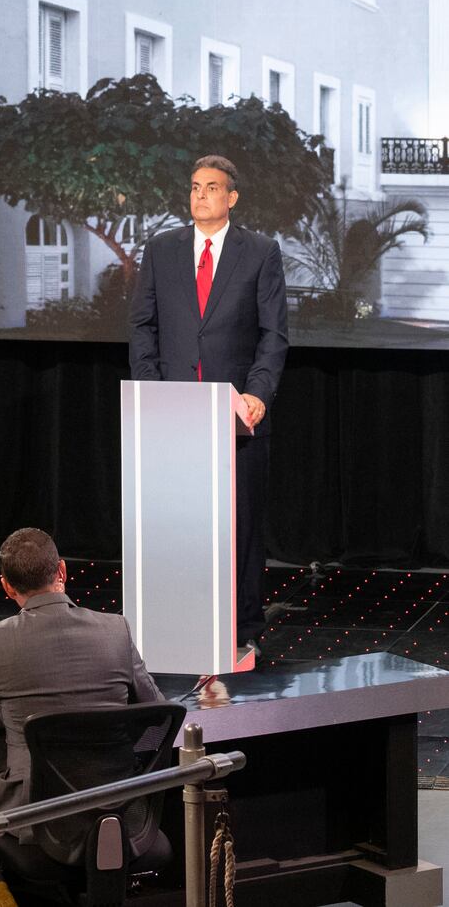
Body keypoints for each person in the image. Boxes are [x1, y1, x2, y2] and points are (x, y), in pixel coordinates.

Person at [0, 528, 163, 906]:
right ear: (62, 570)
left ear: (7, 587)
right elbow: (155, 710)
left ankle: (0, 899)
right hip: (123, 810)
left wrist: (4, 712)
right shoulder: (116, 630)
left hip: (38, 816)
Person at [128, 155, 289, 653]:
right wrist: (154, 390)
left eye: (212, 187)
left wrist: (258, 393)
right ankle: (179, 620)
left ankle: (245, 630)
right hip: (173, 414)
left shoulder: (260, 253)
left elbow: (273, 334)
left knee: (240, 526)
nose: (200, 195)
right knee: (180, 523)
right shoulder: (160, 250)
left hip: (234, 416)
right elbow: (142, 326)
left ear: (232, 197)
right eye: (195, 187)